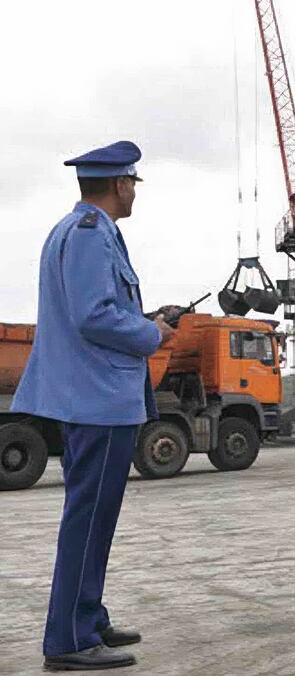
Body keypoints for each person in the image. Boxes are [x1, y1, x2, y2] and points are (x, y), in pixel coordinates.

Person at [13, 140, 174, 671]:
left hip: (93, 395)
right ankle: (69, 640)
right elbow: (94, 315)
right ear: (121, 184)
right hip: (98, 398)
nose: (135, 193)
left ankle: (88, 615)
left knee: (96, 518)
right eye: (133, 184)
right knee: (88, 520)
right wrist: (151, 333)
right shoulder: (89, 234)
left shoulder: (81, 230)